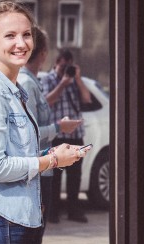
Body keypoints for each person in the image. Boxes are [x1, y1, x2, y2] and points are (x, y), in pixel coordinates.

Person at [0, 1, 90, 244]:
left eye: (26, 35)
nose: (21, 43)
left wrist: (53, 153)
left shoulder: (15, 91)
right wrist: (51, 161)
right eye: (10, 35)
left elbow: (16, 154)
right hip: (2, 220)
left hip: (19, 219)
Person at [17, 27, 82, 244]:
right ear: (43, 53)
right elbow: (30, 134)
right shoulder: (27, 83)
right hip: (36, 172)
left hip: (41, 170)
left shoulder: (31, 82)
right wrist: (59, 127)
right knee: (33, 237)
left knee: (36, 235)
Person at [42, 49, 92, 223]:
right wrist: (62, 83)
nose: (65, 70)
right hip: (58, 134)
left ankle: (74, 211)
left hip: (76, 135)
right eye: (63, 65)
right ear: (56, 62)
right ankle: (53, 212)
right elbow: (47, 101)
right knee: (55, 176)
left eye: (68, 66)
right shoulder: (48, 79)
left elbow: (87, 99)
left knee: (74, 176)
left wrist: (77, 79)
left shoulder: (75, 81)